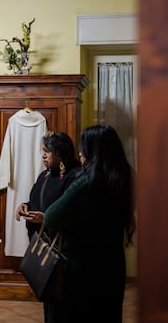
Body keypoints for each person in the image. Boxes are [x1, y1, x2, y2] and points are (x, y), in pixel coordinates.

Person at [43, 125, 136, 323]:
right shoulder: (123, 179)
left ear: (93, 152)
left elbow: (51, 217)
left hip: (82, 270)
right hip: (112, 266)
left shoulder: (86, 183)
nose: (80, 153)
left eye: (83, 148)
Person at [15, 130, 80, 322]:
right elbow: (37, 201)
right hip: (44, 247)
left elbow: (71, 212)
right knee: (49, 300)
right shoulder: (44, 175)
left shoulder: (74, 176)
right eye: (43, 150)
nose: (43, 155)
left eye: (48, 151)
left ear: (60, 153)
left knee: (63, 305)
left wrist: (46, 218)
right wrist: (25, 206)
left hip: (63, 251)